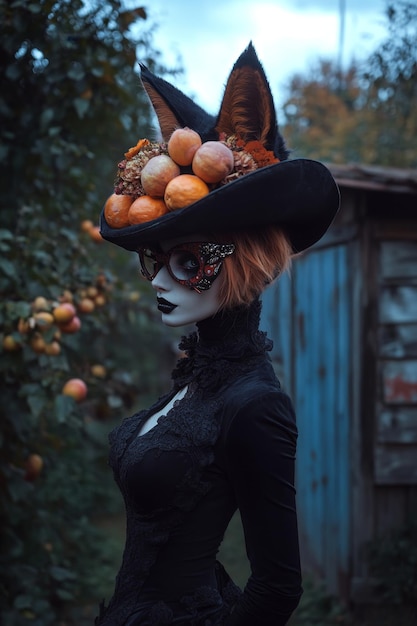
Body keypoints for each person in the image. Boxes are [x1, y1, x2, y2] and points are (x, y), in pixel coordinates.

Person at [97, 43, 340, 626]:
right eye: (151, 258)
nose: (156, 278)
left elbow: (278, 591)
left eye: (184, 261)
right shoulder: (195, 383)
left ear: (247, 258)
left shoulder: (254, 406)